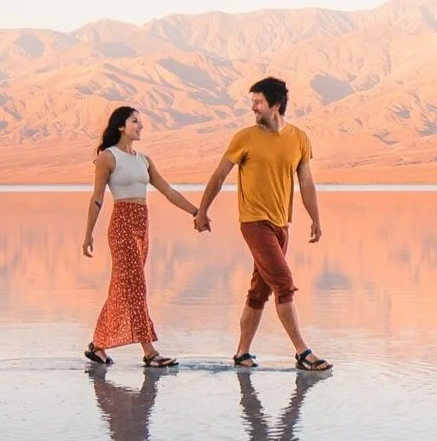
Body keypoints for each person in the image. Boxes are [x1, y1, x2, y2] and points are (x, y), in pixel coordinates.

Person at [193, 78, 331, 370]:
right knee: (283, 282)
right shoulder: (244, 138)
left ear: (275, 105)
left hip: (282, 225)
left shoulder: (300, 139)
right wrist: (203, 210)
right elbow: (219, 176)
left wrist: (316, 218)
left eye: (257, 102)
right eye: (252, 102)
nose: (252, 108)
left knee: (259, 291)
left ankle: (242, 353)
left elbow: (306, 183)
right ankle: (303, 353)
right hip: (254, 223)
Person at [81, 104, 203, 368]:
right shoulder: (108, 158)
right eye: (135, 121)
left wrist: (196, 211)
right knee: (135, 287)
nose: (141, 126)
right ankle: (149, 351)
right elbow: (97, 199)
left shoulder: (143, 160)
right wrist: (88, 234)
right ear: (121, 127)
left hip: (142, 227)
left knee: (122, 288)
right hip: (122, 226)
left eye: (140, 121)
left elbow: (169, 191)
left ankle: (98, 346)